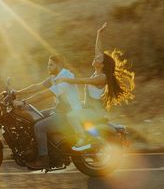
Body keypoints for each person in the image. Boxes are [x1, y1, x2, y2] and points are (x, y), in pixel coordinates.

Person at [55, 22, 135, 151]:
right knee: (68, 107)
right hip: (89, 107)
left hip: (94, 111)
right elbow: (98, 50)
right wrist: (99, 33)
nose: (96, 57)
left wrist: (65, 79)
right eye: (97, 56)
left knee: (72, 116)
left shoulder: (101, 78)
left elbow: (82, 81)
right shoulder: (98, 72)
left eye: (98, 58)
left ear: (102, 65)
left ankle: (83, 138)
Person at [14, 54, 83, 169]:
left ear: (59, 65)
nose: (48, 67)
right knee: (36, 116)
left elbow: (44, 94)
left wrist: (24, 102)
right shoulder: (55, 77)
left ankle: (43, 159)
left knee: (39, 127)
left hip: (69, 114)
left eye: (51, 65)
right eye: (48, 65)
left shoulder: (65, 77)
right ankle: (40, 148)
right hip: (59, 111)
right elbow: (37, 87)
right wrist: (17, 93)